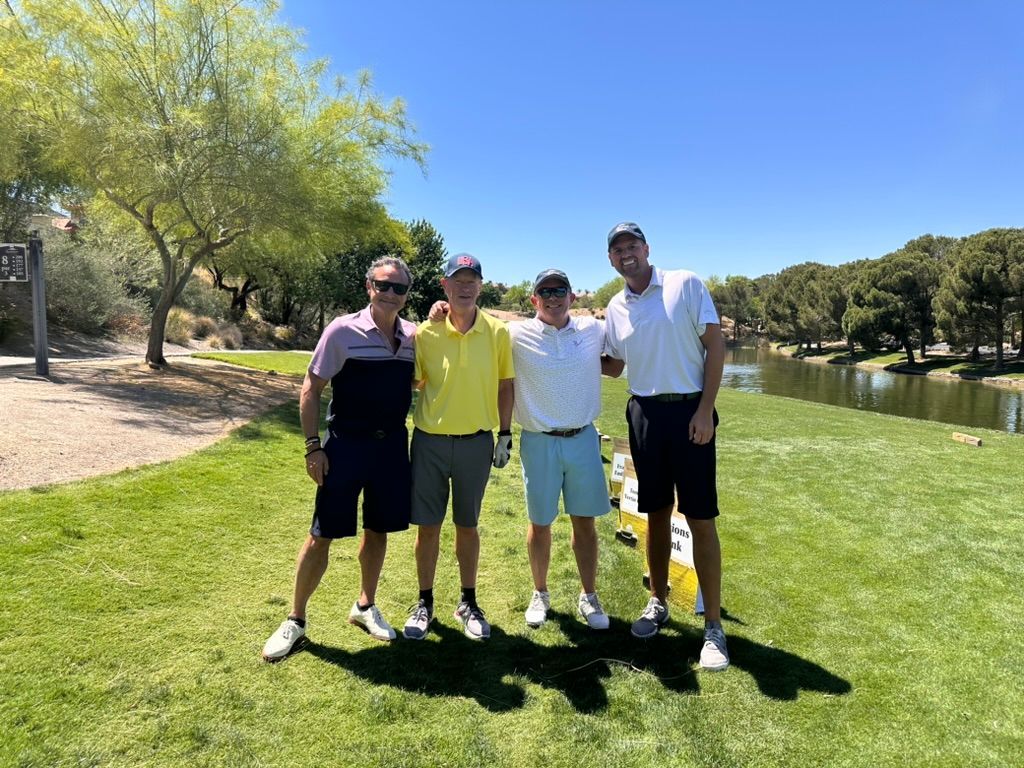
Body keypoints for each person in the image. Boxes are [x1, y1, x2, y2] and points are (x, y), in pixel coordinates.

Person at [261, 256, 416, 661]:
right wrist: (313, 446)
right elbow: (310, 389)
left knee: (378, 530)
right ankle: (295, 619)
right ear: (369, 287)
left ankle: (365, 605)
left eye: (399, 288)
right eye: (383, 285)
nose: (391, 293)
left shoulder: (414, 337)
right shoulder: (342, 330)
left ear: (406, 295)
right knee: (322, 534)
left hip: (391, 448)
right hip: (346, 447)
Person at [602, 222, 731, 671]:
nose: (626, 254)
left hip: (691, 411)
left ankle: (713, 626)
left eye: (632, 245)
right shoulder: (616, 307)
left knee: (700, 517)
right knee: (654, 513)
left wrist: (705, 410)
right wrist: (559, 345)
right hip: (645, 415)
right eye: (618, 250)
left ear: (646, 248)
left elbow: (715, 346)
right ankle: (657, 601)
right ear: (611, 260)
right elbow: (614, 365)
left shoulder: (685, 284)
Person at [402, 253, 515, 641]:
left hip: (476, 444)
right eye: (458, 281)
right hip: (430, 442)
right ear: (444, 285)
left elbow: (505, 385)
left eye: (472, 281)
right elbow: (415, 382)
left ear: (481, 286)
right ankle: (424, 602)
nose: (465, 287)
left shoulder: (498, 332)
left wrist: (505, 434)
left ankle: (468, 601)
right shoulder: (425, 333)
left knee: (467, 526)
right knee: (428, 528)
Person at [508, 269, 617, 630]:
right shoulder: (514, 334)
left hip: (583, 439)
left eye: (560, 290)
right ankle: (540, 592)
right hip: (539, 441)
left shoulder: (593, 330)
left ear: (572, 297)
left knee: (584, 522)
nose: (553, 297)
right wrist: (441, 311)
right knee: (540, 523)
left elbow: (622, 352)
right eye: (545, 291)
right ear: (534, 299)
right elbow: (472, 327)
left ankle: (589, 595)